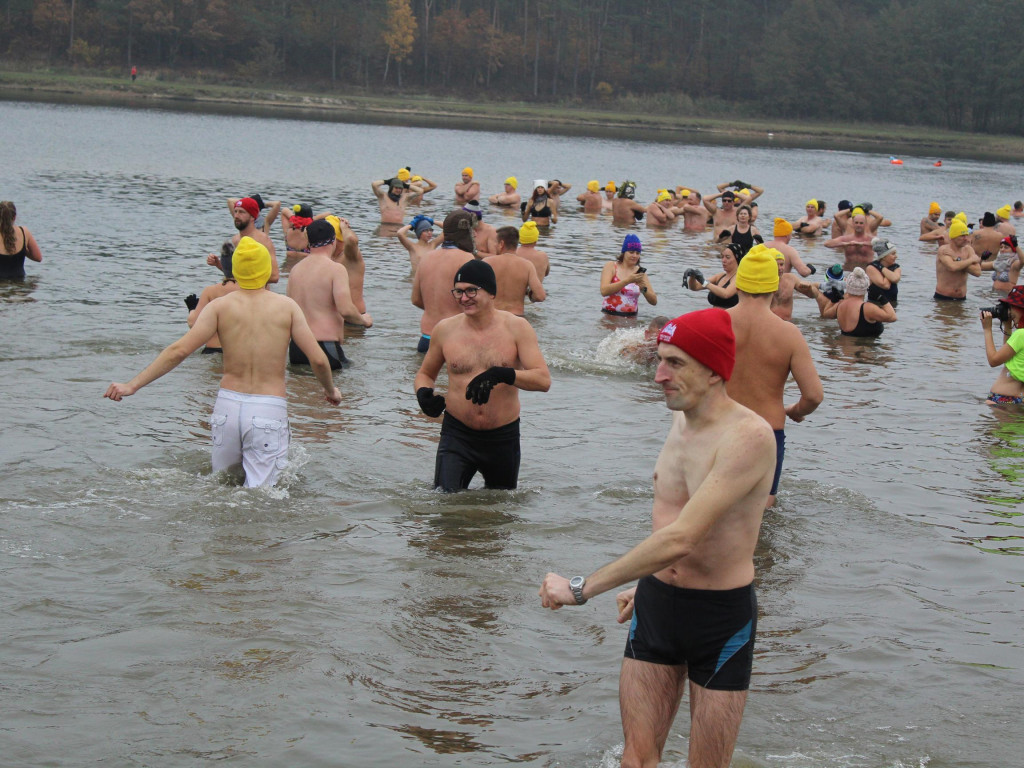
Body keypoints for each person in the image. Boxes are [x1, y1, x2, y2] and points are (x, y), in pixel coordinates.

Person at [538, 308, 776, 768]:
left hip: (719, 620)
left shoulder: (749, 437)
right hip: (657, 606)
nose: (658, 376)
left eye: (675, 363)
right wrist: (646, 580)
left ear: (713, 370)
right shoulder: (682, 418)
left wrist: (580, 589)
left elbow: (684, 537)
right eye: (660, 360)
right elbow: (668, 528)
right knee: (636, 761)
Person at [103, 237, 341, 487]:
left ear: (235, 270)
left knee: (222, 486)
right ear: (266, 271)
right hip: (267, 408)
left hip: (226, 408)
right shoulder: (287, 307)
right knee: (261, 498)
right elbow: (319, 360)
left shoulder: (219, 306)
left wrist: (132, 385)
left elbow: (178, 351)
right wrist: (330, 390)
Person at [414, 259, 551, 491]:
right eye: (458, 291)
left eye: (471, 291)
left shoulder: (517, 328)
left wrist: (502, 374)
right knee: (444, 507)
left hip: (502, 437)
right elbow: (425, 374)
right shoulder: (445, 330)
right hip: (456, 434)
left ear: (491, 293)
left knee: (500, 514)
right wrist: (423, 394)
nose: (464, 298)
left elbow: (543, 380)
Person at [727, 244, 823, 506]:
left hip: (721, 427)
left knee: (712, 507)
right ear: (773, 288)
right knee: (760, 513)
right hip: (766, 432)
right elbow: (814, 395)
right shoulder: (788, 334)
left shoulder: (716, 324)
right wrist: (796, 410)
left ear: (738, 284)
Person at [286, 220, 372, 369]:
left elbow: (289, 310)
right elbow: (345, 310)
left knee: (302, 390)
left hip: (296, 349)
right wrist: (363, 320)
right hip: (324, 346)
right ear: (333, 241)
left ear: (308, 242)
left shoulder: (295, 270)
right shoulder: (335, 269)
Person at [411, 210, 477, 353]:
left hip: (426, 339)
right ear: (465, 233)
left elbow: (415, 299)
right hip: (454, 338)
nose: (475, 234)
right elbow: (474, 302)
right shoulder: (466, 258)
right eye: (472, 230)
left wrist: (436, 308)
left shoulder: (427, 258)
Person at [208, 197, 279, 284]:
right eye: (236, 211)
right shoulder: (235, 240)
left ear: (253, 217)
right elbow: (234, 274)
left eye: (241, 212)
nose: (236, 216)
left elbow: (274, 276)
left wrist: (245, 280)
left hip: (257, 294)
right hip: (238, 292)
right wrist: (218, 264)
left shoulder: (263, 241)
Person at [185, 240, 238, 353]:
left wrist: (192, 309)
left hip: (211, 350)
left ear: (222, 263)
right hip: (236, 352)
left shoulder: (210, 291)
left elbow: (193, 323)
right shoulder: (249, 290)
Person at [816, 267, 897, 336]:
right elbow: (892, 317)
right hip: (862, 351)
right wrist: (881, 298)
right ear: (866, 287)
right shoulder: (867, 308)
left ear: (847, 285)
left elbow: (826, 314)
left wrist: (834, 300)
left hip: (844, 349)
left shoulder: (840, 305)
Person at [484, 226, 546, 316]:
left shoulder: (487, 262)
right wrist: (530, 295)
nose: (494, 245)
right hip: (516, 317)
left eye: (495, 243)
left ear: (501, 244)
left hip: (492, 316)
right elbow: (540, 296)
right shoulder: (527, 265)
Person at [981, 286, 1024, 404]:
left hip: (1002, 399)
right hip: (1019, 400)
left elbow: (993, 361)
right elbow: (1009, 357)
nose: (1009, 312)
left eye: (1011, 307)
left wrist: (987, 329)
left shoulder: (1020, 335)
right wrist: (1007, 326)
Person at [600, 234, 657, 316]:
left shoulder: (640, 273)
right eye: (631, 252)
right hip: (609, 315)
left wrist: (643, 289)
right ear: (624, 252)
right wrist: (627, 281)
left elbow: (654, 301)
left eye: (637, 253)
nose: (635, 256)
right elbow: (604, 291)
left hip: (631, 318)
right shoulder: (611, 266)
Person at [684, 243, 743, 309]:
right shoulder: (720, 276)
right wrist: (693, 276)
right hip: (713, 316)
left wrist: (705, 283)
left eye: (727, 257)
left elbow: (726, 294)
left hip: (729, 318)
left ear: (737, 259)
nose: (723, 260)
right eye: (722, 257)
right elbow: (695, 287)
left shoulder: (739, 277)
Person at [935, 219, 982, 300]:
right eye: (962, 236)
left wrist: (956, 259)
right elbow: (952, 267)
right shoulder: (944, 250)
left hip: (962, 298)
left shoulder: (968, 249)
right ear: (953, 237)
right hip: (944, 298)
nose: (966, 239)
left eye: (967, 235)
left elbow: (977, 272)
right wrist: (970, 260)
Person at [0, 201, 43, 280]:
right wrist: (23, 250)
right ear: (15, 217)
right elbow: (38, 258)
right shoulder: (24, 232)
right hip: (19, 284)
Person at [866, 238, 901, 305]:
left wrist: (882, 268)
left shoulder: (896, 267)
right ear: (884, 256)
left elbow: (895, 279)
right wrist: (885, 270)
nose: (896, 256)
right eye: (893, 254)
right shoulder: (871, 267)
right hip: (874, 304)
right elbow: (885, 285)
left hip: (892, 304)